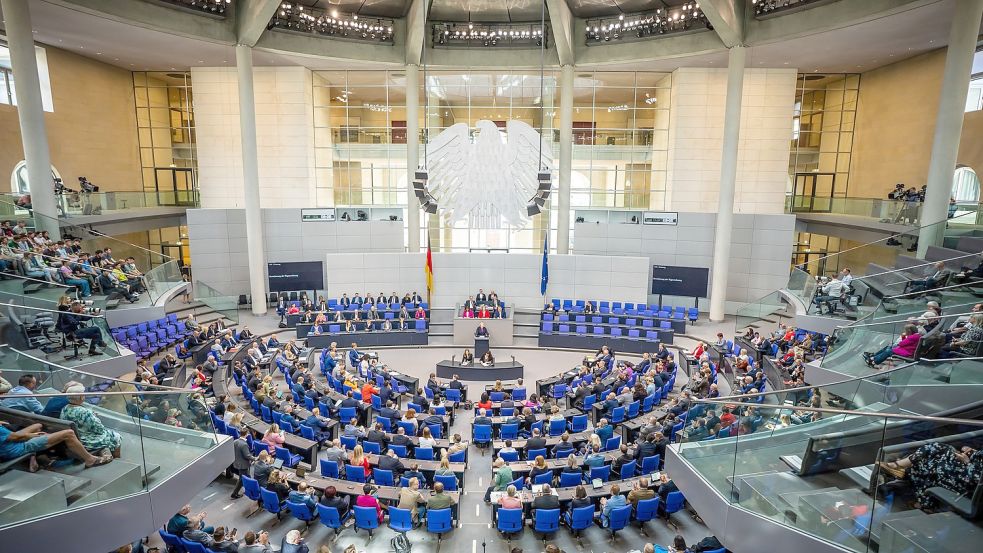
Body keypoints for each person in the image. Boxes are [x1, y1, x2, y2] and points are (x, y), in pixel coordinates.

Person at [878, 442, 983, 509]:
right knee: (939, 449)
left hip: (969, 484)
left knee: (937, 463)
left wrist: (967, 462)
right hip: (966, 469)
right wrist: (971, 451)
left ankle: (900, 468)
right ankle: (900, 469)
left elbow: (978, 478)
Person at [0, 418, 111, 469]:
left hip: (8, 447)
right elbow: (15, 437)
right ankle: (90, 460)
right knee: (69, 433)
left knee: (38, 427)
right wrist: (28, 436)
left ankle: (38, 456)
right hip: (17, 448)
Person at [59, 384, 122, 457]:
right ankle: (117, 459)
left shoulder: (64, 409)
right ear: (81, 397)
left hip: (74, 440)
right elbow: (100, 430)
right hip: (87, 442)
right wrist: (94, 416)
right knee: (116, 436)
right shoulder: (85, 412)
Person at [230, 431, 255, 498]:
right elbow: (247, 456)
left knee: (244, 478)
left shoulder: (235, 441)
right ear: (246, 434)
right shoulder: (244, 444)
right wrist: (255, 458)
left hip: (237, 463)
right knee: (243, 479)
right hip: (243, 465)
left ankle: (236, 493)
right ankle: (235, 493)